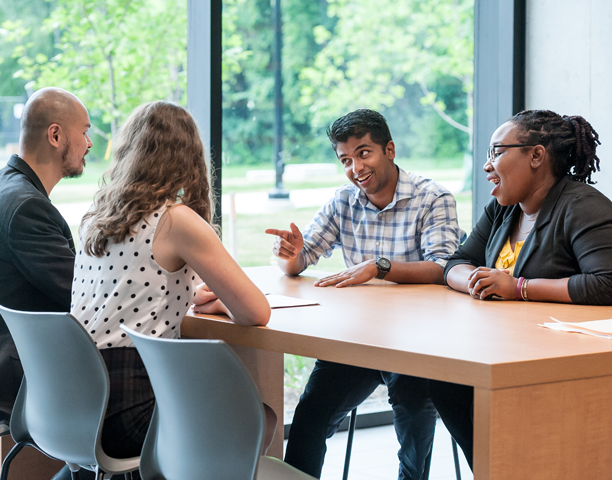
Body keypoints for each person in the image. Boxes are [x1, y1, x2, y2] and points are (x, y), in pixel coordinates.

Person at [57, 101, 272, 479]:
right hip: (128, 411)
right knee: (260, 418)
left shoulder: (97, 217)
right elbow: (256, 313)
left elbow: (128, 290)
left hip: (75, 402)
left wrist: (189, 296)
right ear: (187, 156)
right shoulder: (173, 219)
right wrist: (225, 305)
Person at [265, 109, 464, 480]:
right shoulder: (344, 201)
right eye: (345, 159)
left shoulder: (433, 197)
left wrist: (380, 266)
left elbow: (443, 268)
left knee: (414, 409)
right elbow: (301, 259)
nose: (356, 167)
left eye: (364, 152)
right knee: (310, 413)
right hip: (356, 340)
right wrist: (291, 256)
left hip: (415, 342)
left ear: (389, 149)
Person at [433, 109, 612, 469]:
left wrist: (519, 287)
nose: (487, 166)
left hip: (561, 365)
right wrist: (476, 282)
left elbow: (605, 284)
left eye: (497, 152)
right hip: (502, 349)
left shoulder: (582, 205)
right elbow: (454, 263)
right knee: (443, 383)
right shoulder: (504, 210)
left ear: (535, 155)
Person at [0, 87, 92, 426]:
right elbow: (82, 294)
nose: (89, 143)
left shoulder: (8, 188)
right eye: (84, 132)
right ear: (56, 135)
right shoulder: (26, 207)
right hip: (24, 378)